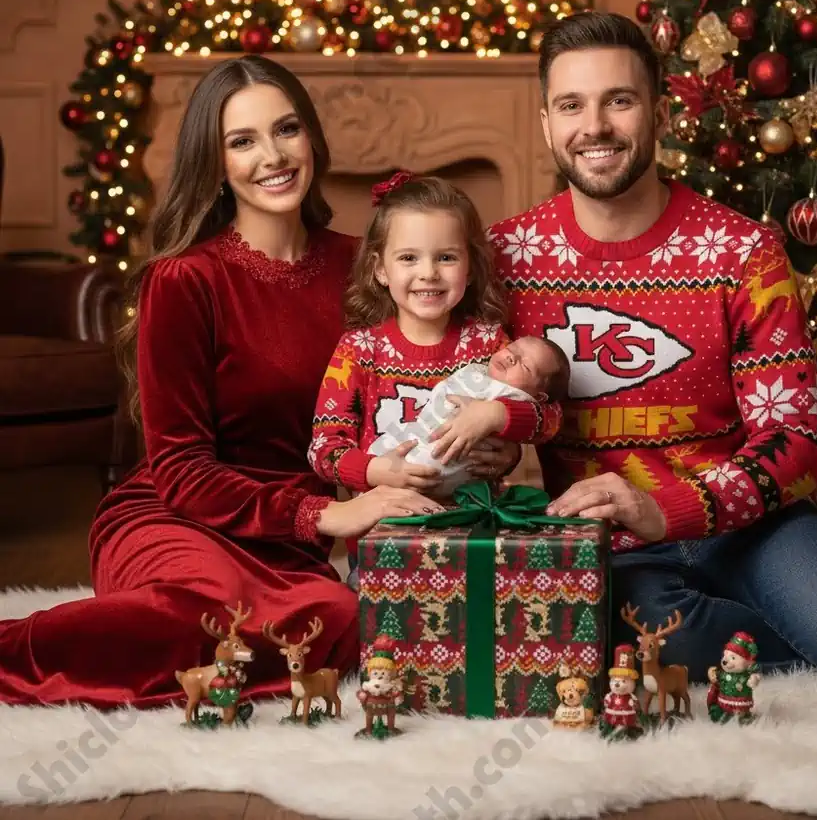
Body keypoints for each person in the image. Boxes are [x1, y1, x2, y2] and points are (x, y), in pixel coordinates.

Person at [487, 11, 817, 682]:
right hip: (611, 546)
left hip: (754, 527)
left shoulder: (741, 251)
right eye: (571, 105)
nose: (596, 126)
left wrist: (667, 506)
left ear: (659, 113)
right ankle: (816, 645)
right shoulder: (505, 259)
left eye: (619, 100)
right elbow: (459, 391)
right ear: (548, 125)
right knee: (650, 646)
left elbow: (796, 443)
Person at [0, 56, 469, 708]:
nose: (272, 156)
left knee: (336, 620)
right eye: (242, 141)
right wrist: (331, 512)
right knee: (220, 612)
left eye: (286, 130)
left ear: (311, 137)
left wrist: (475, 436)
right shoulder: (184, 281)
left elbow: (414, 382)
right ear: (215, 162)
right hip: (173, 518)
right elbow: (183, 473)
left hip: (287, 548)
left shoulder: (368, 266)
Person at [308, 172, 562, 503]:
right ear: (380, 268)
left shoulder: (488, 343)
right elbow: (323, 449)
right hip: (384, 528)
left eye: (446, 257)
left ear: (469, 267)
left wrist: (499, 421)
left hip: (471, 525)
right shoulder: (358, 351)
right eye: (408, 258)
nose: (428, 273)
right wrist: (373, 471)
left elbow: (551, 419)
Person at [368, 334, 570, 498]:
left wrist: (500, 414)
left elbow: (550, 417)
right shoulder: (363, 346)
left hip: (445, 463)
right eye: (512, 349)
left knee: (424, 471)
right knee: (383, 457)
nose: (512, 357)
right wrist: (366, 471)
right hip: (414, 438)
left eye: (525, 367)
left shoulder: (505, 380)